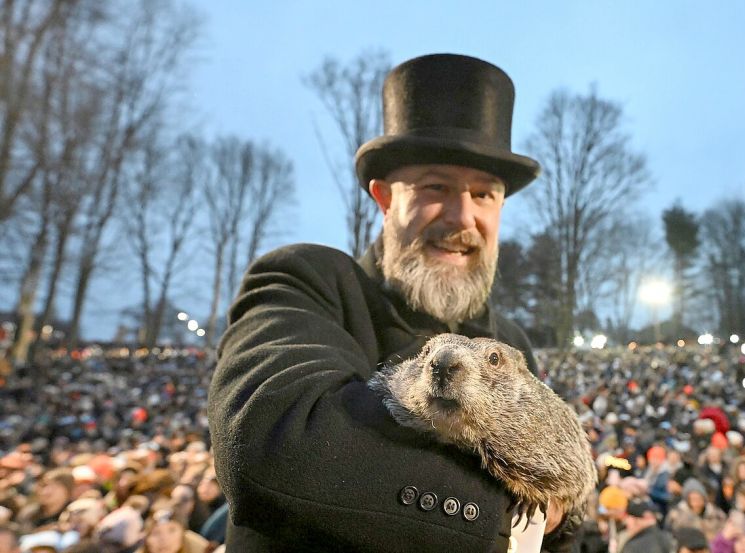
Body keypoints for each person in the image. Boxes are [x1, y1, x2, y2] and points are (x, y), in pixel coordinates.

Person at [208, 53, 549, 552]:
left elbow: (557, 493)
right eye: (437, 187)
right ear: (385, 198)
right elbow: (273, 442)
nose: (462, 217)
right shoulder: (307, 280)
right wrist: (505, 521)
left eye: (484, 195)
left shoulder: (511, 344)